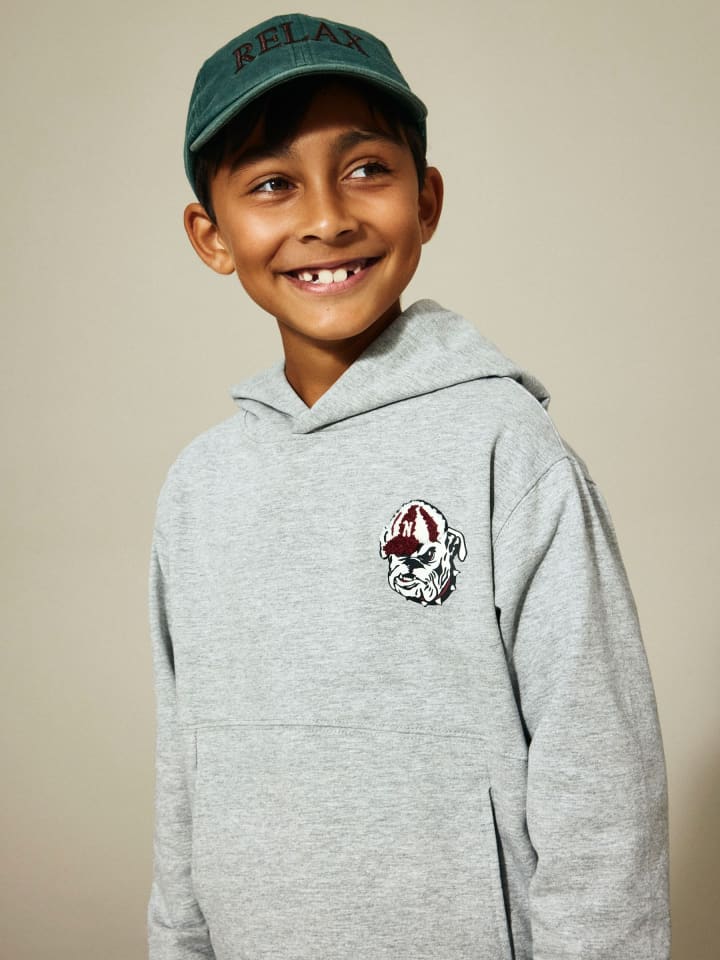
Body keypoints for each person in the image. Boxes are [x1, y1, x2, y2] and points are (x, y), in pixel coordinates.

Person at [147, 12, 670, 960]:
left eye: (365, 169)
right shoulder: (199, 488)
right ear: (211, 234)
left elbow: (601, 786)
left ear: (425, 200)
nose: (326, 217)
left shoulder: (506, 449)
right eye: (272, 183)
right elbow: (186, 780)